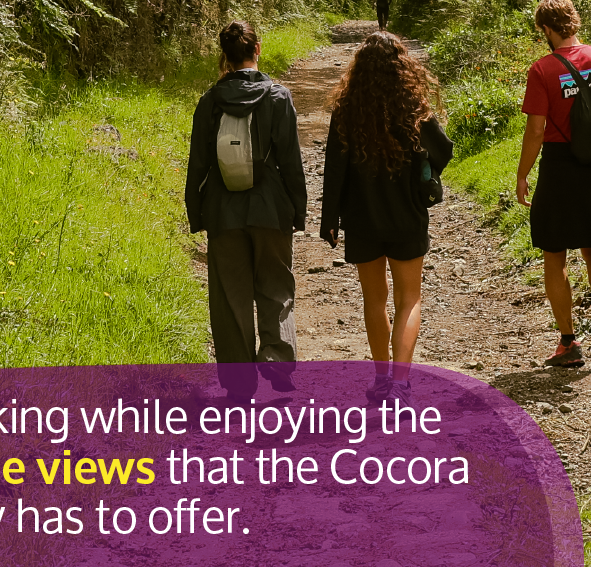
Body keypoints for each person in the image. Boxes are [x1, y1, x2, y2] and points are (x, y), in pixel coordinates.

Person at [320, 32, 452, 393]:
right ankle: (401, 383)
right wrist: (423, 171)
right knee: (409, 299)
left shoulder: (346, 108)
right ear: (401, 65)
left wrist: (329, 219)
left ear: (359, 68)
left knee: (374, 299)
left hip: (361, 216)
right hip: (406, 211)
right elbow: (443, 150)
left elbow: (334, 168)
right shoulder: (412, 105)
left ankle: (380, 380)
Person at [185, 20, 306, 381]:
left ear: (225, 55)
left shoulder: (210, 101)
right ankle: (276, 359)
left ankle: (238, 383)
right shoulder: (278, 97)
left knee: (229, 298)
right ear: (257, 50)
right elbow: (291, 162)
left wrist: (197, 214)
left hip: (223, 212)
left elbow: (198, 164)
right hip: (271, 209)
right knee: (276, 285)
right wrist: (297, 212)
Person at [515, 0, 591, 369]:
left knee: (554, 253)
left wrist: (522, 174)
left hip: (559, 165)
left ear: (547, 29)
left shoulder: (542, 70)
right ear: (574, 21)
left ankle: (569, 343)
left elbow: (536, 130)